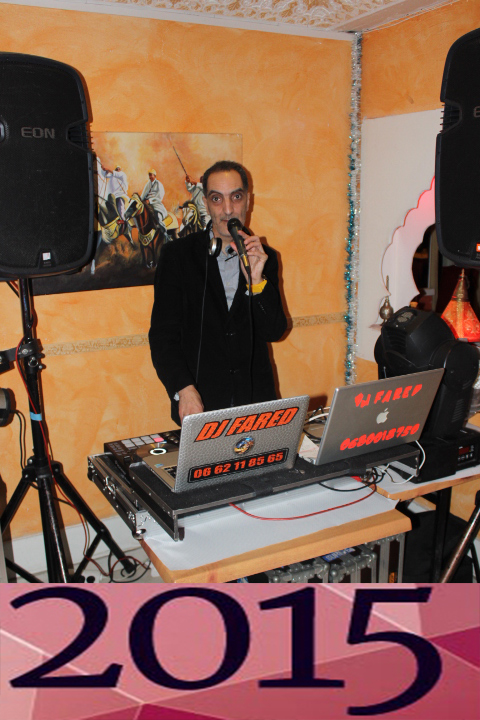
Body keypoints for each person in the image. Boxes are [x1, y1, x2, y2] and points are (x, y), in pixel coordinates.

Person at [149, 160, 287, 425]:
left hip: (257, 405)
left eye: (236, 197)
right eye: (217, 198)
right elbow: (163, 337)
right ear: (206, 203)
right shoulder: (178, 256)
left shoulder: (265, 258)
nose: (228, 209)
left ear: (248, 201)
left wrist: (257, 281)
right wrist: (184, 390)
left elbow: (274, 331)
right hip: (200, 405)